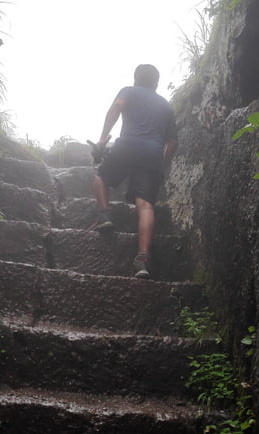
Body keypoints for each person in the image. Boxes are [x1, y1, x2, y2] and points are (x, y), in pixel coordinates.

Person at [91, 64, 178, 279]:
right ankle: (143, 259)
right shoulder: (166, 106)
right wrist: (162, 164)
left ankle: (104, 216)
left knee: (101, 176)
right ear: (156, 83)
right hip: (152, 154)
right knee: (145, 204)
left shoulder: (129, 91)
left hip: (127, 145)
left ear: (136, 79)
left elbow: (115, 109)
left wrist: (102, 139)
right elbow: (173, 142)